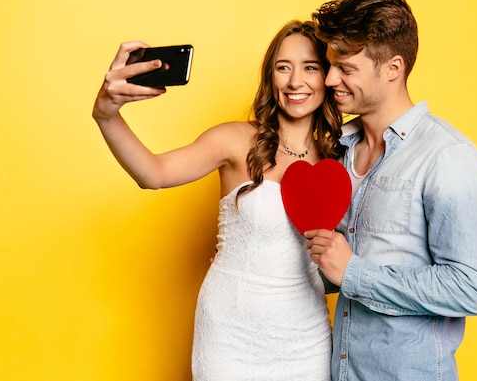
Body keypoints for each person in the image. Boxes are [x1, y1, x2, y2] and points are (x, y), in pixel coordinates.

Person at [92, 20, 344, 381]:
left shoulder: (339, 161)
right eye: (282, 67)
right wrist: (106, 115)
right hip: (230, 335)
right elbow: (154, 174)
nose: (295, 81)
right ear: (270, 77)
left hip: (305, 340)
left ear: (328, 77)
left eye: (310, 68)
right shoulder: (236, 141)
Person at [304, 0, 477, 381]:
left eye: (346, 68)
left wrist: (355, 273)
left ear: (392, 68)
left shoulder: (446, 156)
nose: (328, 79)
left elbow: (473, 288)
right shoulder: (340, 153)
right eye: (329, 65)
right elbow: (333, 264)